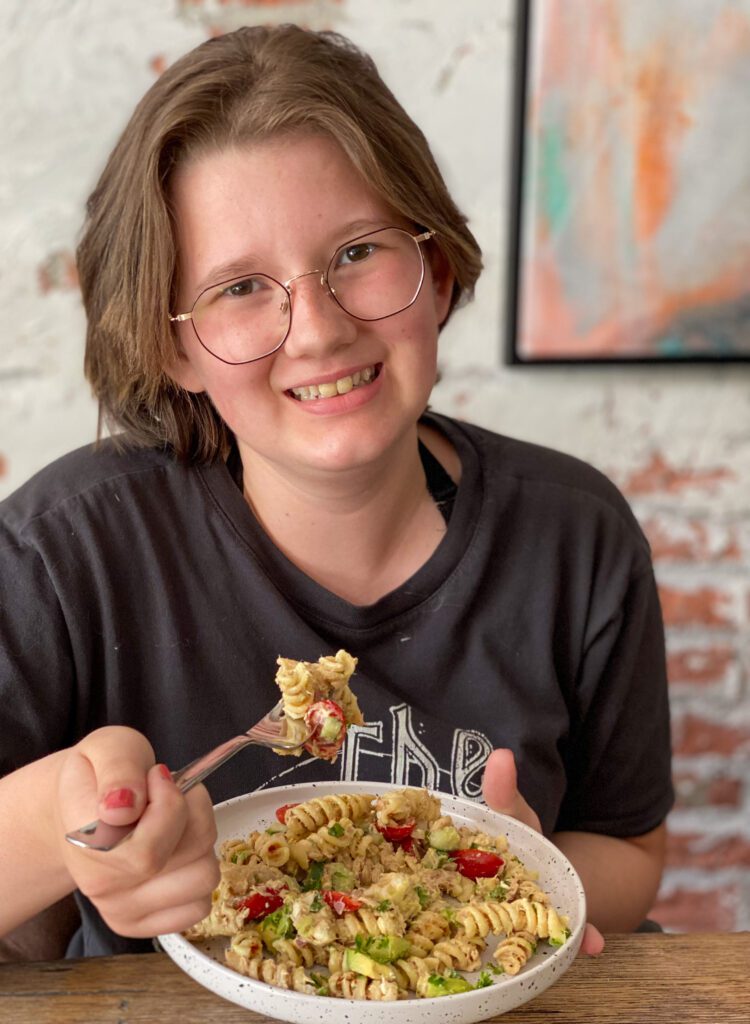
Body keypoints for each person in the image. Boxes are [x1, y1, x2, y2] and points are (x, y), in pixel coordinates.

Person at [0, 24, 671, 961]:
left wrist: (529, 872)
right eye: (239, 287)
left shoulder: (576, 537)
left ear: (433, 273)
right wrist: (61, 822)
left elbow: (630, 844)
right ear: (174, 348)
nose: (314, 330)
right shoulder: (63, 553)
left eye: (358, 253)